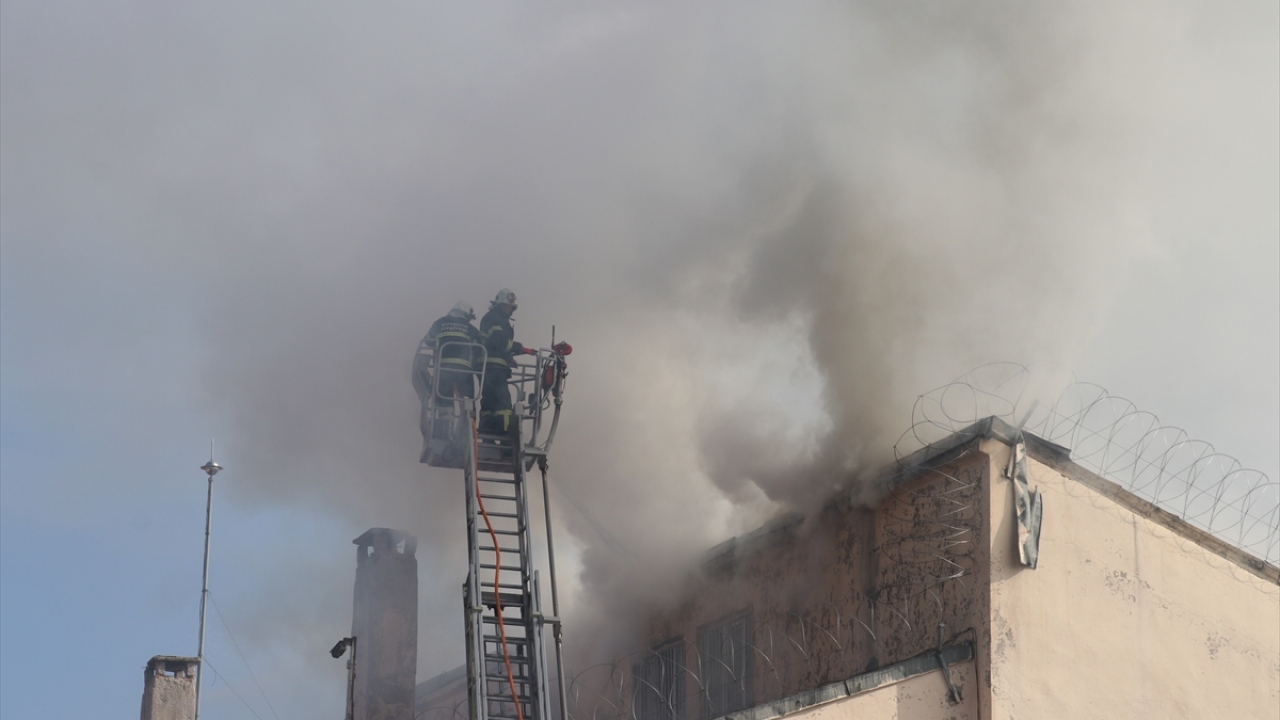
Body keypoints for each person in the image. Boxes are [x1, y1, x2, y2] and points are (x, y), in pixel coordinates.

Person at [414, 302, 481, 443]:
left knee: (444, 405)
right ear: (465, 314)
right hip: (464, 371)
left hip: (443, 370)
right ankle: (467, 436)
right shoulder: (471, 328)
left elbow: (428, 341)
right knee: (468, 404)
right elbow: (479, 348)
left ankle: (443, 434)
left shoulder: (439, 323)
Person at [479, 288, 536, 434]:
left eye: (510, 307)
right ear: (499, 305)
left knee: (489, 404)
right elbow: (498, 341)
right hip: (494, 367)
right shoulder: (495, 318)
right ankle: (506, 438)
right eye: (506, 306)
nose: (508, 309)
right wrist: (522, 348)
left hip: (489, 366)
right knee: (503, 403)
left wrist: (509, 358)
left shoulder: (492, 317)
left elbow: (494, 344)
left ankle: (486, 434)